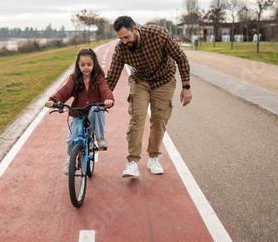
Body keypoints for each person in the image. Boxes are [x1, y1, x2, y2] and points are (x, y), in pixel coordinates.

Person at [106, 16, 192, 178]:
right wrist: (104, 96)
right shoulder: (121, 49)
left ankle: (153, 158)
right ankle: (132, 163)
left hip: (164, 80)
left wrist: (186, 87)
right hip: (140, 81)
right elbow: (112, 76)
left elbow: (181, 58)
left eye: (127, 37)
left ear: (136, 30)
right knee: (137, 117)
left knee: (159, 119)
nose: (124, 41)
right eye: (120, 38)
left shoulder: (159, 35)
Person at [46, 47, 115, 175]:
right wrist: (53, 100)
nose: (86, 67)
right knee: (72, 139)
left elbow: (105, 89)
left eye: (89, 64)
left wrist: (108, 99)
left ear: (94, 64)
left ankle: (100, 138)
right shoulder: (74, 79)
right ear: (78, 65)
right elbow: (65, 90)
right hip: (78, 113)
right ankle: (70, 159)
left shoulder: (98, 78)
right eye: (82, 65)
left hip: (94, 111)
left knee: (96, 109)